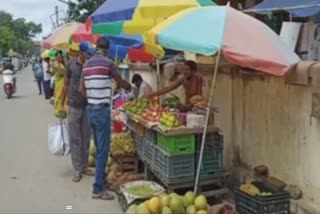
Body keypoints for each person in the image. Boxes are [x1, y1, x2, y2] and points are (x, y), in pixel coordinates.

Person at [79, 37, 131, 200]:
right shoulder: (108, 63)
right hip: (101, 111)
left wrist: (93, 98)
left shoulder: (86, 65)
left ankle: (101, 181)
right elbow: (121, 82)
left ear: (96, 47)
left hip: (90, 110)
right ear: (107, 49)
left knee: (99, 147)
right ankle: (98, 189)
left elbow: (81, 90)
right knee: (102, 151)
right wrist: (128, 86)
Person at [59, 42, 94, 182]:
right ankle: (77, 168)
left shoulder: (91, 65)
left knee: (86, 138)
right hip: (73, 106)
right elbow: (65, 84)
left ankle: (85, 166)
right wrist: (61, 103)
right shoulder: (71, 65)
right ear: (81, 53)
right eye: (87, 53)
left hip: (87, 106)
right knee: (75, 139)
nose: (88, 55)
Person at [52, 51, 68, 118]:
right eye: (58, 57)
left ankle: (63, 111)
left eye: (61, 57)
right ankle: (59, 111)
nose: (60, 58)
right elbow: (62, 72)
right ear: (56, 57)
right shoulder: (56, 64)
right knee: (59, 97)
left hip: (63, 83)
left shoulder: (62, 63)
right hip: (59, 83)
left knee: (64, 97)